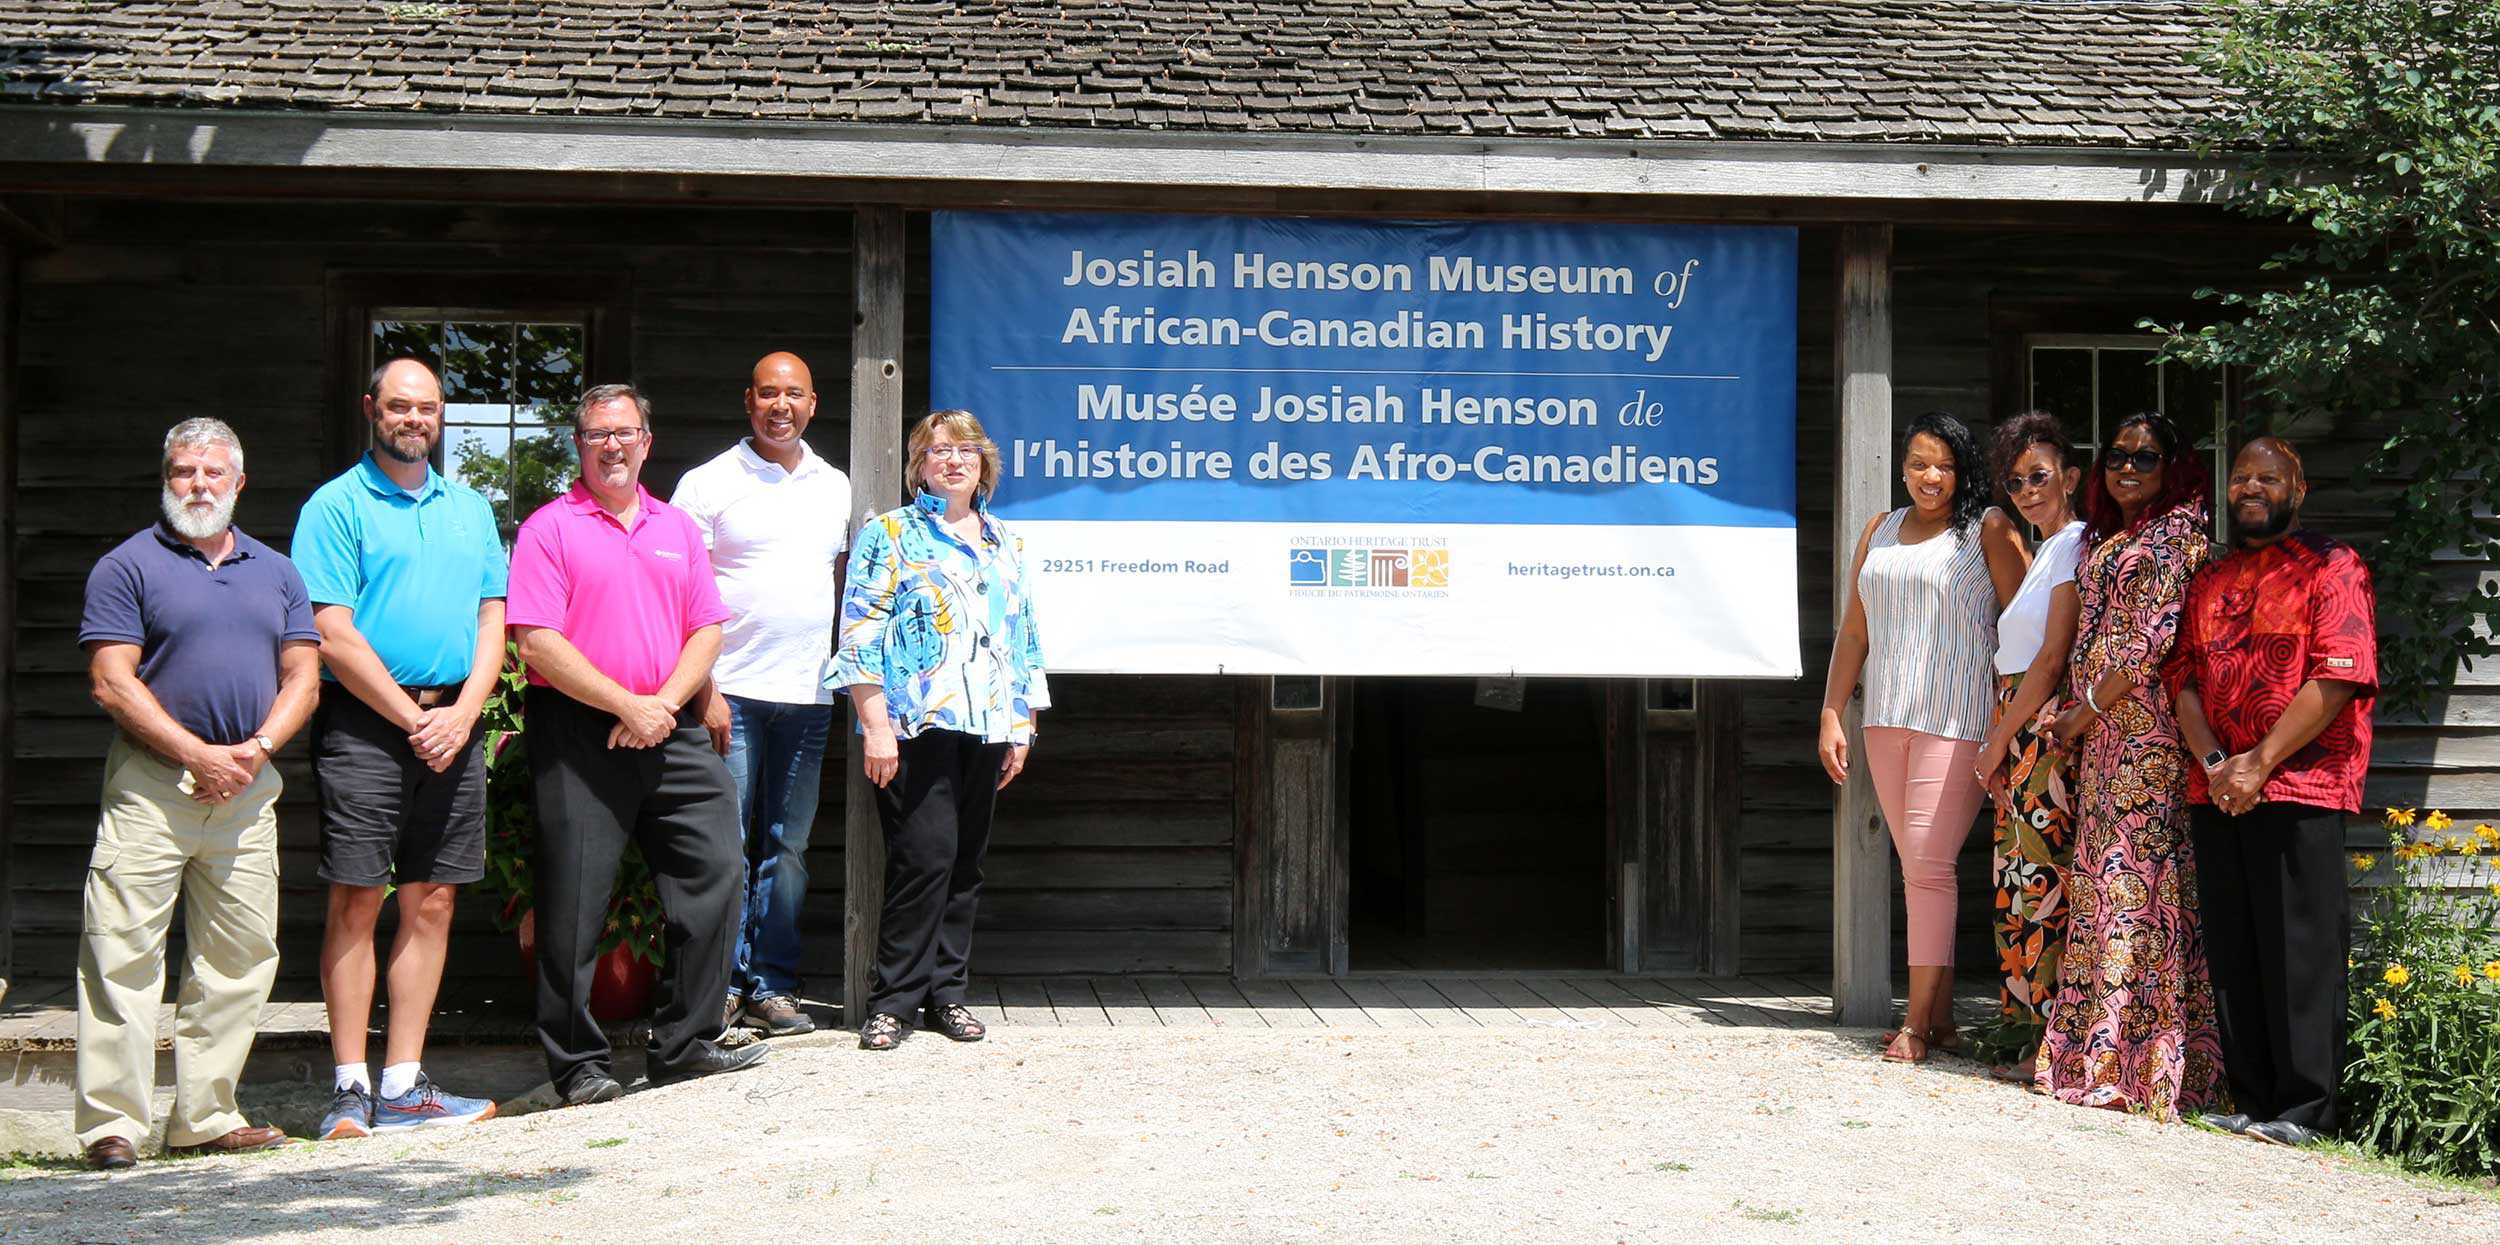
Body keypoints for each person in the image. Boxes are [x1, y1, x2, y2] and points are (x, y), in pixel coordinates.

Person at [506, 383, 764, 1103]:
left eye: (624, 432)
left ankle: (686, 1043)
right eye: (597, 435)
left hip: (670, 722)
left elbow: (707, 626)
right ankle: (577, 1062)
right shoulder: (549, 529)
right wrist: (627, 704)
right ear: (579, 445)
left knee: (718, 867)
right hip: (581, 730)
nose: (612, 445)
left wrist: (664, 703)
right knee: (575, 898)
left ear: (647, 441)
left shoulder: (676, 527)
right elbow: (536, 640)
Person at [74, 418, 321, 1169]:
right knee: (122, 952)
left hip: (248, 788)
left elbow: (303, 677)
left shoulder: (277, 572)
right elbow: (111, 681)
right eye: (184, 471)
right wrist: (195, 752)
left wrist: (256, 751)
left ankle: (206, 1114)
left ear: (239, 483)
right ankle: (111, 1125)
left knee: (240, 955)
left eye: (214, 472)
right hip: (153, 785)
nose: (199, 484)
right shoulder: (127, 565)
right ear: (166, 478)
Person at [292, 359, 507, 1140]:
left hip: (455, 721)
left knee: (434, 896)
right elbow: (331, 630)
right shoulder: (335, 505)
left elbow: (494, 620)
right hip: (366, 726)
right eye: (399, 406)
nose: (414, 418)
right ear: (370, 408)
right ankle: (350, 1087)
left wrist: (464, 711)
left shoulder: (471, 508)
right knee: (356, 894)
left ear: (441, 416)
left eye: (427, 407)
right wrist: (412, 719)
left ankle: (405, 1083)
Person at [2169, 437, 2375, 1147]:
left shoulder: (2333, 567)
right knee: (2237, 946)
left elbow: (2339, 674)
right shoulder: (2212, 578)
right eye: (2241, 476)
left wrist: (2260, 762)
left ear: (2299, 487)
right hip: (2220, 788)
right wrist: (2222, 762)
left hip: (2304, 785)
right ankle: (2252, 1097)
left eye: (2268, 476)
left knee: (2302, 948)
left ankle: (2307, 1109)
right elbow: (2184, 680)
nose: (2250, 486)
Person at [834, 409, 1048, 1051]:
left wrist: (1022, 725)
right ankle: (893, 1002)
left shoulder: (1005, 541)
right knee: (922, 858)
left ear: (984, 463)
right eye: (937, 451)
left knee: (964, 862)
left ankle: (946, 995)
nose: (952, 460)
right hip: (912, 725)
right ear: (917, 466)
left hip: (987, 725)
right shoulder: (890, 533)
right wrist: (874, 726)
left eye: (965, 450)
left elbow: (1023, 637)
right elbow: (860, 631)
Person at [1818, 411, 2024, 1063]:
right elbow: (1856, 629)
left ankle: (1916, 1023)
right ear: (1902, 468)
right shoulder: (1879, 530)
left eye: (1943, 464)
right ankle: (1938, 1022)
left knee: (1929, 867)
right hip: (1886, 717)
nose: (1929, 476)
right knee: (1918, 870)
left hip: (1958, 718)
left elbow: (2026, 624)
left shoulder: (1987, 528)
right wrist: (1830, 711)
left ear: (1962, 470)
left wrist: (2012, 716)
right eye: (1917, 463)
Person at [2035, 410, 2224, 1119]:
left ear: (2171, 466)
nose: (2127, 468)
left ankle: (2139, 1060)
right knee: (2100, 883)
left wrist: (2082, 710)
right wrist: (2078, 714)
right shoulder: (2107, 534)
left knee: (2136, 886)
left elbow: (2150, 640)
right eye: (2116, 455)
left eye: (2146, 458)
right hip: (2103, 739)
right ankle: (2091, 1050)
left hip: (2145, 735)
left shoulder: (2179, 531)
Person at [673, 352, 852, 1038]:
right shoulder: (708, 482)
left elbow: (840, 585)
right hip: (732, 693)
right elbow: (682, 596)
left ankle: (770, 985)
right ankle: (715, 988)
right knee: (726, 845)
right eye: (769, 393)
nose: (782, 405)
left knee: (790, 846)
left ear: (814, 403)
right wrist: (704, 689)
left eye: (794, 394)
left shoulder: (833, 484)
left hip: (809, 695)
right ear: (749, 400)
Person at [1971, 412, 2086, 1074]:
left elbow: (2049, 660)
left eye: (2039, 475)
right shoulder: (2044, 550)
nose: (2026, 489)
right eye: (2015, 480)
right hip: (2017, 726)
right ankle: (2024, 1034)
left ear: (2070, 478)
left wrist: (1996, 742)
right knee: (2018, 882)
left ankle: (2051, 1044)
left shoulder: (2074, 544)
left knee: (2043, 881)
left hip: (2038, 729)